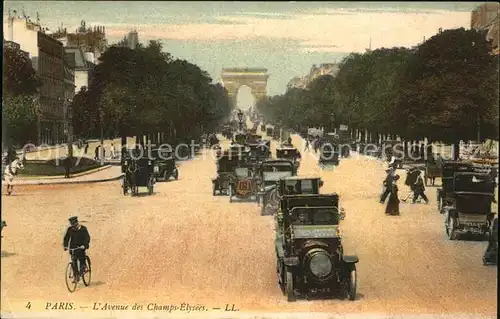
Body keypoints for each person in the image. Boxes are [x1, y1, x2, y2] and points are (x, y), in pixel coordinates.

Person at [63, 216, 91, 283]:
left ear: (76, 223)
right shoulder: (70, 229)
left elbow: (87, 238)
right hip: (73, 248)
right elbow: (66, 238)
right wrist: (65, 246)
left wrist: (84, 245)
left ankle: (83, 269)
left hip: (81, 248)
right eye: (71, 224)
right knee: (73, 261)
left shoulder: (83, 229)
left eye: (74, 224)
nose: (73, 226)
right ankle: (76, 276)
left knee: (81, 259)